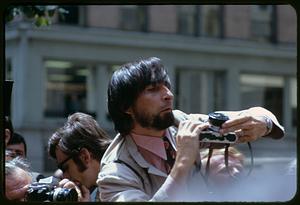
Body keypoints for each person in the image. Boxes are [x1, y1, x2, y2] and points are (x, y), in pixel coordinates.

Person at [97, 57, 285, 202]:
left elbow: (253, 113)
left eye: (167, 87)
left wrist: (264, 124)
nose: (168, 95)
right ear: (126, 107)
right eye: (153, 89)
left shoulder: (179, 122)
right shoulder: (115, 173)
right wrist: (182, 163)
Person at [48, 112, 111, 201]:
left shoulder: (121, 180)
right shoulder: (102, 188)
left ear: (84, 156)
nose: (64, 177)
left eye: (65, 168)